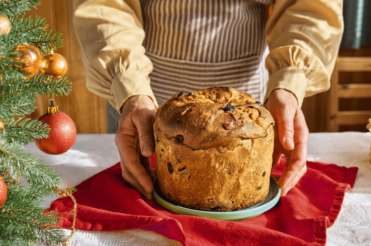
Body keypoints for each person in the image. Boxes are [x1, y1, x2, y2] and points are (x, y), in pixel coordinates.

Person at [73, 0, 343, 200]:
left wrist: (289, 82)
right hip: (141, 105)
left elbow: (309, 6)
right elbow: (105, 5)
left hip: (250, 107)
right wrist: (129, 87)